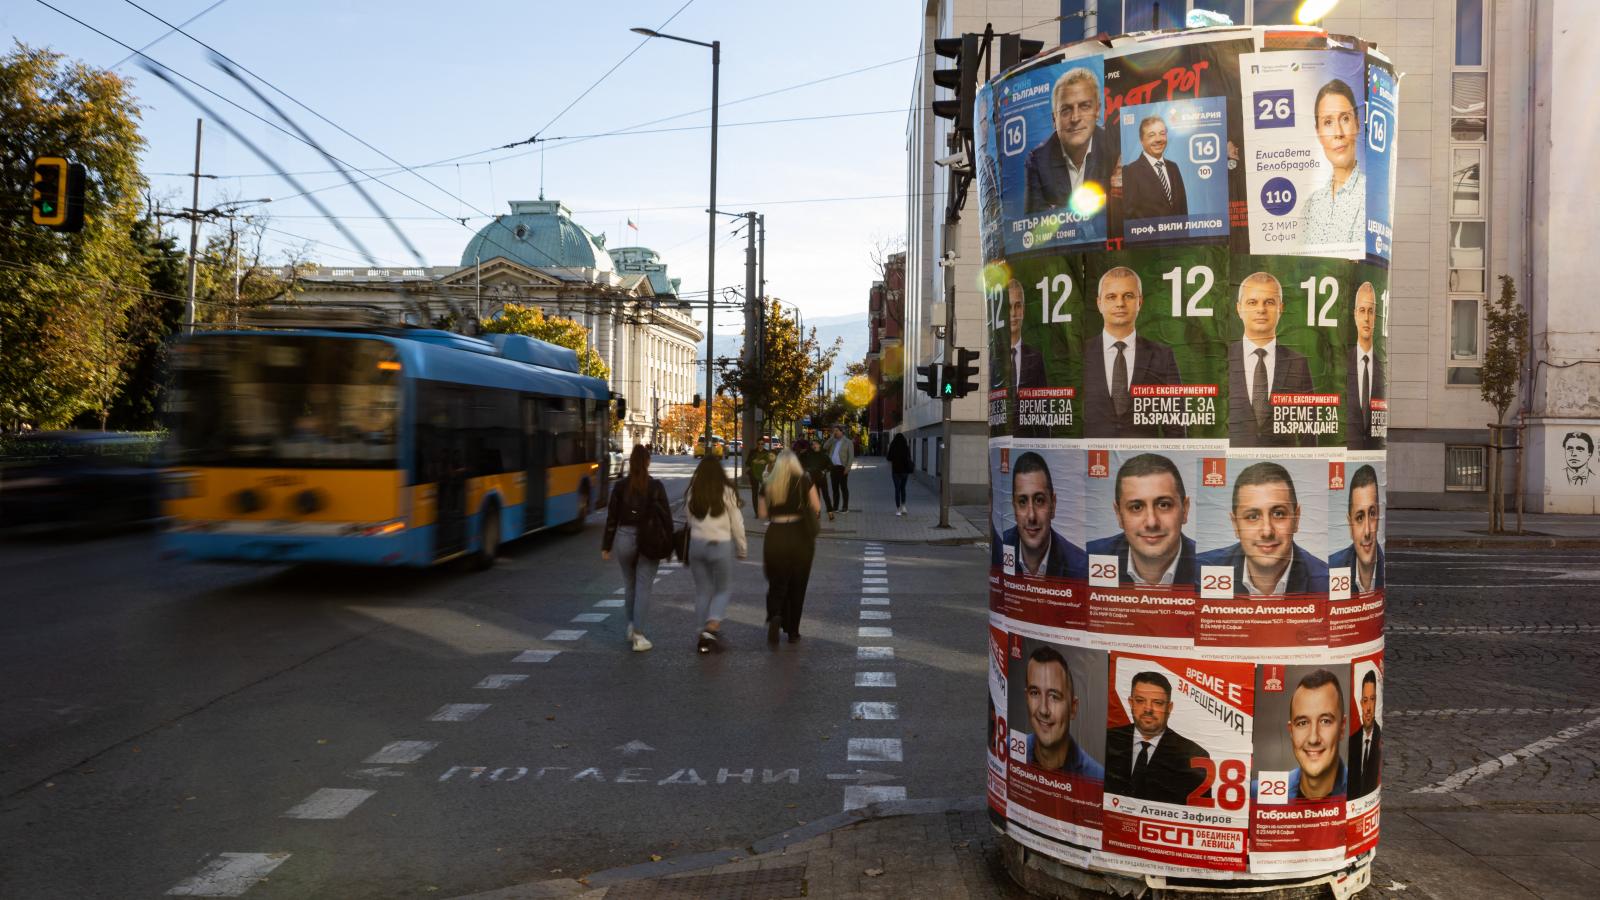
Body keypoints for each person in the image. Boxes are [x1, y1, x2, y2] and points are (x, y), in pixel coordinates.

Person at [1196, 462, 1329, 596]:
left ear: (1296, 518)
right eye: (1253, 516)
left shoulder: (1325, 583)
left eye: (1278, 514)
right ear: (1235, 525)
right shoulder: (1199, 572)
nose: (1267, 531)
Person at [1083, 267, 1183, 438]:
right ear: (1099, 303)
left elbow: (1176, 428)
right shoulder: (1081, 354)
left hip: (1144, 461)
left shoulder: (1163, 356)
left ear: (1140, 302)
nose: (1120, 303)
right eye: (1111, 297)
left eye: (1128, 296)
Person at [1227, 272, 1315, 447]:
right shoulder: (1222, 358)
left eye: (1269, 302)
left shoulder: (1299, 363)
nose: (1261, 309)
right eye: (1252, 302)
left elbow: (1309, 432)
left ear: (1281, 308)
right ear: (1239, 309)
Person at [1086, 453, 1198, 587]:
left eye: (1164, 505)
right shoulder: (1087, 558)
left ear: (1185, 510)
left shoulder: (1207, 563)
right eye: (1136, 507)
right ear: (1119, 515)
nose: (1151, 523)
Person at [601, 445, 673, 652]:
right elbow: (666, 518)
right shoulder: (656, 486)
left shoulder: (621, 486)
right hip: (649, 539)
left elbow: (612, 517)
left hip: (623, 537)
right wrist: (669, 544)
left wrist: (606, 545)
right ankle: (639, 636)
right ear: (648, 462)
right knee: (643, 586)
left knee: (630, 584)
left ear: (630, 463)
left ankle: (631, 626)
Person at [1104, 671, 1211, 803]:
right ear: (1131, 703)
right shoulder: (1106, 740)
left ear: (1169, 707)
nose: (1148, 709)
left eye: (1158, 703)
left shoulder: (1194, 756)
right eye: (1140, 701)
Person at [1024, 66, 1114, 214]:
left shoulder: (1114, 147)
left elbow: (1121, 210)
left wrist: (1058, 211)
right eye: (1066, 110)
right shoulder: (1037, 161)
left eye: (1084, 106)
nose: (1075, 118)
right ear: (1054, 119)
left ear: (1097, 111)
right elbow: (1035, 226)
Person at [684, 456, 748, 654]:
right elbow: (736, 522)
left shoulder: (693, 491)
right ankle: (711, 626)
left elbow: (687, 517)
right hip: (719, 544)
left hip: (697, 545)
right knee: (723, 588)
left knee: (703, 590)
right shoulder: (727, 491)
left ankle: (701, 632)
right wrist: (741, 547)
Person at [758, 449, 822, 644]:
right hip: (800, 536)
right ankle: (793, 631)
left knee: (777, 581)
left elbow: (762, 514)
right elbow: (817, 507)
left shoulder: (768, 482)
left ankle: (775, 614)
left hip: (776, 533)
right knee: (798, 585)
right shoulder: (804, 479)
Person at [1300, 79, 1365, 247]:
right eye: (1328, 122)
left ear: (1357, 124)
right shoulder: (1310, 206)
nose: (1338, 133)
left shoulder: (1371, 195)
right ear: (1318, 133)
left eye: (1345, 119)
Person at [1022, 646, 1105, 777]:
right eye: (1035, 693)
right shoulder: (1007, 749)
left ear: (1073, 708)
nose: (1043, 709)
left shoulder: (1096, 776)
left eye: (1054, 696)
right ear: (1027, 698)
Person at [1002, 451, 1086, 579]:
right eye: (1022, 502)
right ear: (1014, 507)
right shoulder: (1000, 547)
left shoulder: (1079, 566)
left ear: (1053, 505)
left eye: (1039, 500)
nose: (1031, 516)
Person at [1285, 668, 1347, 802]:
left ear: (1342, 728)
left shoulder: (1359, 789)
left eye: (1325, 721)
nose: (1313, 738)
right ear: (1291, 731)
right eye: (1302, 723)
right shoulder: (1256, 793)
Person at [1329, 464, 1384, 594]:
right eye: (1359, 517)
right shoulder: (1332, 566)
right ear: (1350, 524)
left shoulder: (1386, 566)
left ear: (1379, 515)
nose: (1367, 531)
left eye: (1372, 514)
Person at [1122, 115, 1189, 220]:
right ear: (1141, 140)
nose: (1158, 139)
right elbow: (1129, 217)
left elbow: (1183, 211)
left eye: (1162, 134)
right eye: (1151, 135)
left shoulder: (1173, 168)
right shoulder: (1131, 171)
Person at [1346, 282, 1386, 450]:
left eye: (1371, 311)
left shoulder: (1382, 366)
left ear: (1376, 317)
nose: (1367, 318)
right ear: (1355, 315)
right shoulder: (1342, 362)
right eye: (1362, 311)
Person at [1347, 669, 1382, 799]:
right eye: (1365, 700)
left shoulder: (1379, 738)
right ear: (1361, 703)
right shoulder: (1352, 741)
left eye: (1372, 699)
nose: (1368, 708)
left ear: (1376, 701)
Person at [1004, 279, 1046, 389]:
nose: (1013, 313)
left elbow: (1043, 402)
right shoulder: (996, 358)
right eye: (1008, 307)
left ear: (1023, 310)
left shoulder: (1037, 358)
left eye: (1017, 306)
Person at [797, 439, 834, 520]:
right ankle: (817, 512)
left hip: (822, 478)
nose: (814, 446)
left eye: (816, 444)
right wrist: (801, 453)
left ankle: (830, 512)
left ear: (820, 445)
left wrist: (825, 471)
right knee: (816, 496)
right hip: (812, 479)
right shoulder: (808, 455)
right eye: (813, 444)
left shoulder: (824, 455)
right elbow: (800, 460)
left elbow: (831, 465)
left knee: (826, 495)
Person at [825, 425, 855, 514]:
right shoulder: (833, 441)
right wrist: (831, 438)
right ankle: (835, 507)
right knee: (835, 488)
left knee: (843, 488)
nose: (835, 432)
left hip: (842, 468)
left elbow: (851, 456)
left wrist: (848, 468)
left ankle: (845, 507)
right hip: (833, 467)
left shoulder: (848, 442)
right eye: (834, 431)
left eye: (837, 430)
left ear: (842, 432)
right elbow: (825, 447)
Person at [887, 432, 913, 516]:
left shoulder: (893, 446)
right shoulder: (906, 447)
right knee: (903, 488)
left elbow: (889, 458)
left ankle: (898, 509)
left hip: (896, 471)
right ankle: (904, 507)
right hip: (905, 471)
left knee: (897, 489)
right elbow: (909, 458)